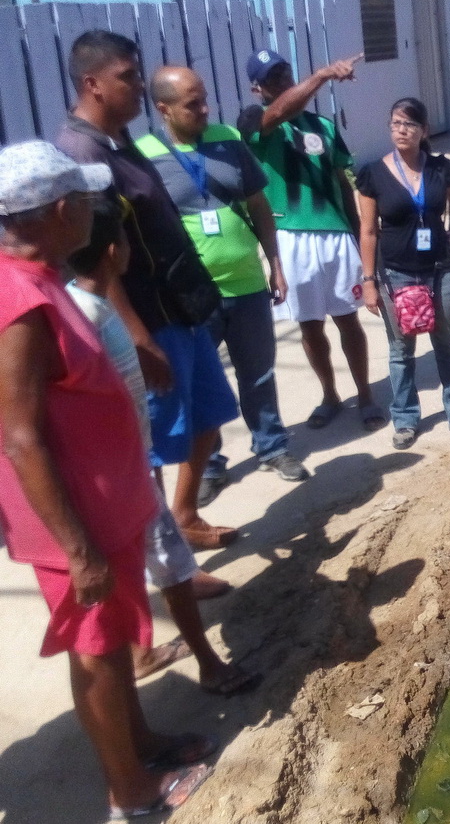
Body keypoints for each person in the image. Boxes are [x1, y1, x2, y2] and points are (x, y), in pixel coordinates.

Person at [0, 140, 214, 819]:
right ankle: (132, 792)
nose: (99, 212)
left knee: (116, 640)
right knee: (95, 649)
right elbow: (21, 433)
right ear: (61, 209)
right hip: (78, 523)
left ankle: (141, 741)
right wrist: (78, 548)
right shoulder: (17, 299)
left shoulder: (44, 280)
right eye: (89, 202)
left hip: (108, 505)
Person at [54, 31, 240, 551]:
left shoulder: (120, 139)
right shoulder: (81, 154)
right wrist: (138, 339)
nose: (139, 87)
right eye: (127, 77)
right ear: (92, 83)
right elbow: (96, 263)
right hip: (146, 324)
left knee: (207, 419)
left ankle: (184, 517)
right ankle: (167, 557)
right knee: (152, 449)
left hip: (180, 309)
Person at [65, 209, 259, 697]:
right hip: (121, 468)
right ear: (116, 252)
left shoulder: (86, 306)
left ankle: (141, 652)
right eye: (129, 241)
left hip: (126, 463)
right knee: (172, 564)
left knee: (142, 563)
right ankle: (212, 667)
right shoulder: (87, 316)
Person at [137, 66, 309, 506]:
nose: (203, 109)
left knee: (260, 372)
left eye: (204, 99)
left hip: (248, 283)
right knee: (198, 384)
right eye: (192, 104)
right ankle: (209, 465)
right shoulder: (145, 155)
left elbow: (258, 204)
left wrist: (275, 263)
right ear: (164, 109)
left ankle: (272, 447)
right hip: (192, 296)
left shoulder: (228, 140)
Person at [239, 48, 383, 432]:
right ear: (258, 89)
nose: (283, 80)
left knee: (347, 319)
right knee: (310, 325)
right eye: (273, 78)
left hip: (334, 235)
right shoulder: (255, 120)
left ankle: (365, 393)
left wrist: (362, 240)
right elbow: (278, 113)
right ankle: (330, 394)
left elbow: (342, 182)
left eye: (285, 72)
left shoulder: (324, 126)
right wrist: (321, 76)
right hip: (290, 235)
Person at [356, 98, 450, 450]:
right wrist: (368, 281)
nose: (402, 130)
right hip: (395, 275)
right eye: (396, 124)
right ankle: (404, 419)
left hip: (440, 271)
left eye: (410, 125)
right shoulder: (373, 174)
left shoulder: (440, 168)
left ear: (424, 131)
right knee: (401, 351)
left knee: (446, 344)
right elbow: (368, 231)